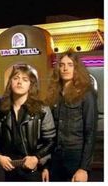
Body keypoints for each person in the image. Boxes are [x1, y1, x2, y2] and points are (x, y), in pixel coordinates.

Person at [42, 50, 98, 182]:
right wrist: (45, 165)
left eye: (70, 64)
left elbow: (90, 132)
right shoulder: (54, 94)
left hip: (75, 156)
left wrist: (84, 168)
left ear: (77, 68)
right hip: (55, 156)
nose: (65, 68)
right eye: (61, 65)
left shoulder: (86, 93)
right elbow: (48, 134)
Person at [0, 64, 56, 181]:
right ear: (10, 83)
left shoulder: (42, 110)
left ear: (30, 85)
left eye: (25, 79)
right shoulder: (0, 112)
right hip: (10, 169)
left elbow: (51, 141)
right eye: (16, 78)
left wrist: (37, 159)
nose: (19, 82)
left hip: (34, 169)